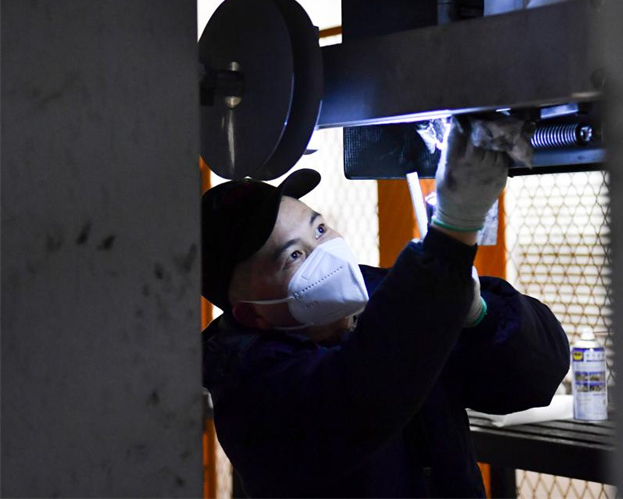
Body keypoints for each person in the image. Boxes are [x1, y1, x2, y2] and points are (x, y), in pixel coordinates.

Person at [201, 117, 570, 498]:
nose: (324, 254)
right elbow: (364, 388)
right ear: (252, 313)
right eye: (294, 255)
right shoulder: (251, 386)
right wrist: (453, 232)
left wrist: (479, 315)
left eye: (320, 230)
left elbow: (533, 378)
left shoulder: (388, 296)